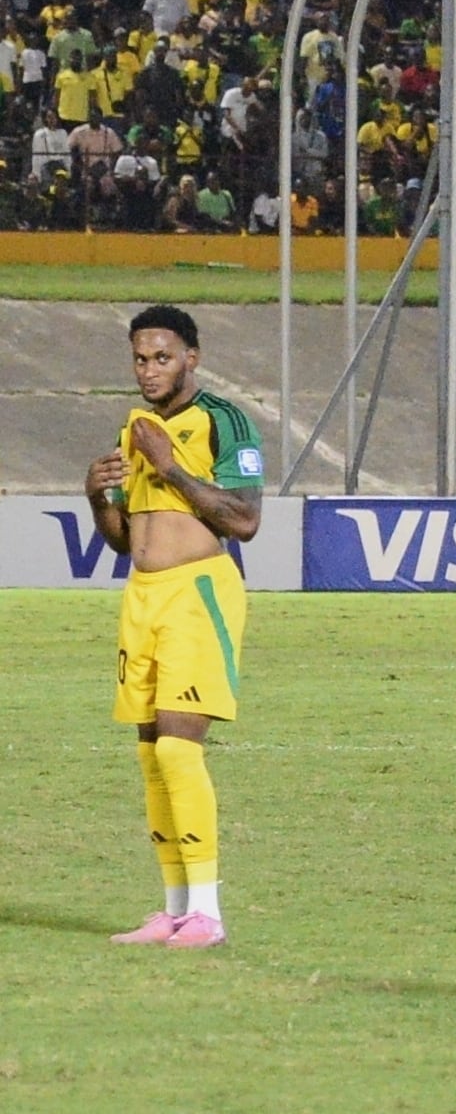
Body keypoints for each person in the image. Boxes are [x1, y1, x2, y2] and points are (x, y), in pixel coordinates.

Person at [85, 305, 263, 948]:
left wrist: (171, 467)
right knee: (149, 758)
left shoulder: (223, 420)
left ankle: (208, 914)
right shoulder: (132, 427)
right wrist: (96, 495)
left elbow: (244, 521)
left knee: (178, 750)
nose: (148, 369)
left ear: (193, 356)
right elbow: (124, 541)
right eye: (140, 357)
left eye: (162, 357)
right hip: (143, 596)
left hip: (198, 594)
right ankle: (172, 909)